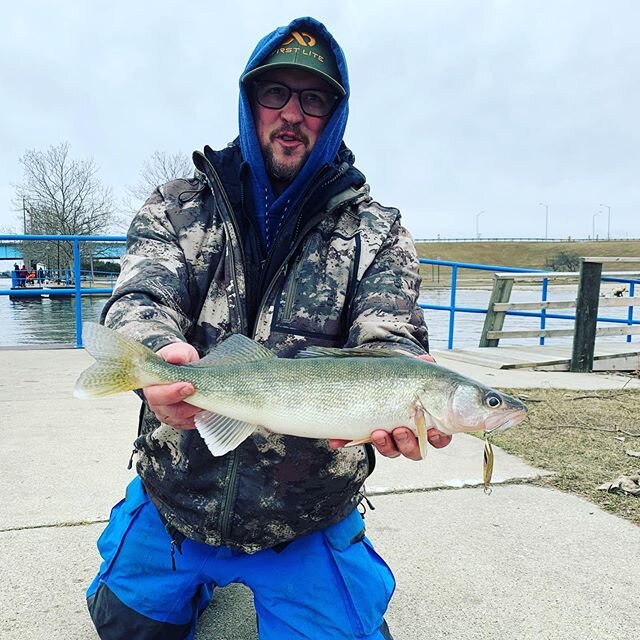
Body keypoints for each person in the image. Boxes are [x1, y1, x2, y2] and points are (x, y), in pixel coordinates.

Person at [87, 16, 451, 640]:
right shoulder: (177, 204)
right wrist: (153, 355)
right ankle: (187, 573)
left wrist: (397, 395)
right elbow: (142, 293)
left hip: (304, 515)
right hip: (180, 491)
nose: (292, 113)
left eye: (313, 99)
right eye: (274, 93)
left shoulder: (379, 231)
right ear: (249, 102)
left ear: (333, 116)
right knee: (125, 626)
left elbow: (390, 339)